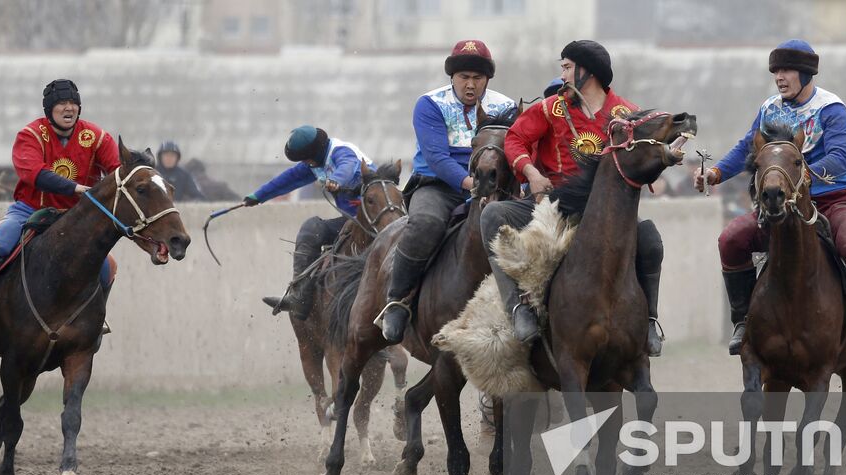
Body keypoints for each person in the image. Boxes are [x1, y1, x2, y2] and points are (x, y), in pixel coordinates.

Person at [696, 39, 846, 361]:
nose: (780, 77)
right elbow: (748, 147)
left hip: (831, 199)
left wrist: (803, 176)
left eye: (786, 70)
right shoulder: (770, 107)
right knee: (730, 239)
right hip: (780, 205)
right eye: (776, 71)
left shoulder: (831, 108)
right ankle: (743, 321)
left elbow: (842, 157)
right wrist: (715, 173)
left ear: (805, 73)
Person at [484, 39, 666, 354]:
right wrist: (532, 174)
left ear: (588, 72)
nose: (563, 75)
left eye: (567, 67)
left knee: (650, 238)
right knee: (492, 216)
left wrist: (664, 157)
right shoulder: (550, 107)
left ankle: (649, 321)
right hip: (551, 204)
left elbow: (644, 160)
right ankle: (518, 309)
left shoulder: (627, 115)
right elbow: (515, 138)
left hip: (607, 211)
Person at [0, 79, 122, 328]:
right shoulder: (30, 135)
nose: (69, 108)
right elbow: (33, 172)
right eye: (62, 103)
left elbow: (117, 172)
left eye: (73, 103)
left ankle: (96, 314)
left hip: (77, 217)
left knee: (108, 267)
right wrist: (75, 188)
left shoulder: (96, 137)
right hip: (30, 211)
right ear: (49, 109)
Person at [377, 39, 516, 343]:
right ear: (452, 77)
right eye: (463, 77)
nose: (470, 85)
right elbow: (437, 158)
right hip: (437, 186)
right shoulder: (429, 104)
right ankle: (397, 301)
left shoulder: (506, 107)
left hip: (494, 187)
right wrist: (472, 186)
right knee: (425, 224)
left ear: (487, 80)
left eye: (477, 78)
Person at [245, 126, 373, 320]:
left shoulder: (342, 152)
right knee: (311, 229)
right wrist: (258, 196)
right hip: (351, 223)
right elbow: (287, 180)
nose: (305, 163)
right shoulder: (315, 163)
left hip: (375, 221)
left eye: (305, 159)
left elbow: (347, 166)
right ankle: (300, 297)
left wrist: (336, 180)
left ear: (316, 152)